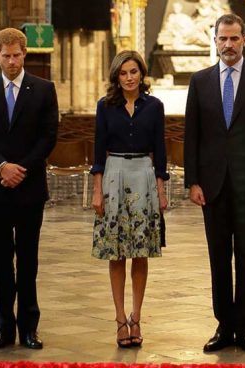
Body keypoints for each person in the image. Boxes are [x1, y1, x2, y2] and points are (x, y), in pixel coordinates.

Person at [184, 14, 245, 354]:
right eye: (222, 38)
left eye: (234, 38)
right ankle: (224, 326)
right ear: (215, 41)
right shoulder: (199, 82)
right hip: (211, 185)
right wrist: (193, 180)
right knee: (218, 257)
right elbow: (192, 135)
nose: (228, 44)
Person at [0, 27, 58, 350]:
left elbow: (48, 136)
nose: (11, 62)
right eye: (5, 56)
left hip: (29, 185)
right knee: (0, 261)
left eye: (16, 55)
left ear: (25, 54)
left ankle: (29, 329)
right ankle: (4, 329)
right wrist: (1, 166)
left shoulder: (44, 89)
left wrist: (22, 168)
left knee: (28, 261)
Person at [91, 50, 168, 348]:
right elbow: (98, 152)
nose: (129, 78)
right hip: (114, 173)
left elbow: (160, 151)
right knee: (116, 251)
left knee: (140, 250)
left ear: (142, 73)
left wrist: (161, 190)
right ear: (116, 76)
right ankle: (120, 318)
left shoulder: (154, 106)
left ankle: (137, 316)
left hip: (144, 174)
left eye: (133, 71)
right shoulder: (106, 106)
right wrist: (97, 190)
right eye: (123, 73)